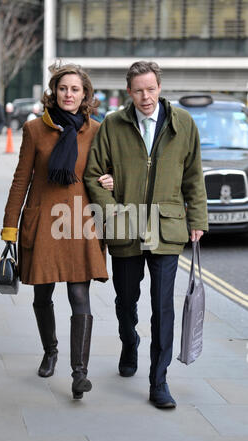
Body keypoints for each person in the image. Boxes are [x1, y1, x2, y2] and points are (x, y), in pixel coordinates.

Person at [84, 61, 208, 409]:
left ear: (159, 87)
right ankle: (129, 341)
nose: (146, 96)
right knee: (125, 302)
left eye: (151, 88)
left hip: (166, 227)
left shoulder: (182, 123)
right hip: (126, 227)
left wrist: (197, 218)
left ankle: (159, 380)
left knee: (162, 306)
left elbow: (194, 176)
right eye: (139, 90)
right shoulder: (113, 124)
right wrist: (112, 211)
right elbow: (94, 175)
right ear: (129, 92)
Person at [1, 63, 112, 400]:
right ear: (54, 91)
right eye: (63, 88)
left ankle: (80, 374)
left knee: (80, 295)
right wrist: (9, 227)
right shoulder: (35, 129)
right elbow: (21, 179)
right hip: (43, 221)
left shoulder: (97, 130)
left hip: (79, 223)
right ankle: (51, 351)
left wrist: (111, 180)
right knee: (42, 294)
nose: (68, 94)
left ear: (85, 95)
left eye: (75, 89)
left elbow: (106, 173)